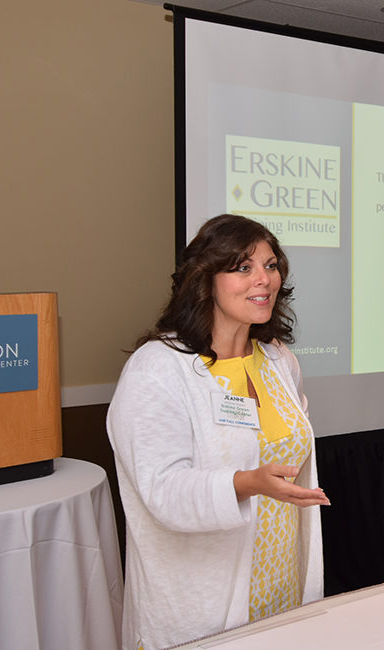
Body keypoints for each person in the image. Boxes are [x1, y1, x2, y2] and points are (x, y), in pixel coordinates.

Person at [107, 214, 330, 650]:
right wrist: (246, 483)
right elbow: (161, 490)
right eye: (243, 268)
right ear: (205, 279)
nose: (264, 280)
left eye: (271, 265)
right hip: (201, 603)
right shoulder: (158, 368)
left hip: (280, 583)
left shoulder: (279, 360)